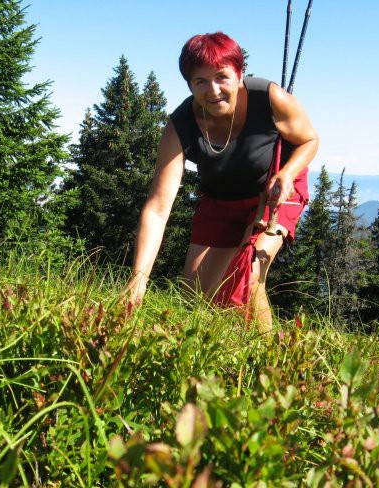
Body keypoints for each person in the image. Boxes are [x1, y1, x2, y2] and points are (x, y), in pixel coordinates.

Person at [125, 32, 318, 330]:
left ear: (240, 74)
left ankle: (272, 362)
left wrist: (288, 172)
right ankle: (226, 354)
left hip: (275, 191)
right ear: (189, 85)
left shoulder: (269, 98)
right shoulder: (181, 126)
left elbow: (309, 140)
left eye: (222, 77)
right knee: (196, 297)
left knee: (248, 273)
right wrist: (137, 282)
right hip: (220, 200)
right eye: (200, 81)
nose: (212, 90)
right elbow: (158, 209)